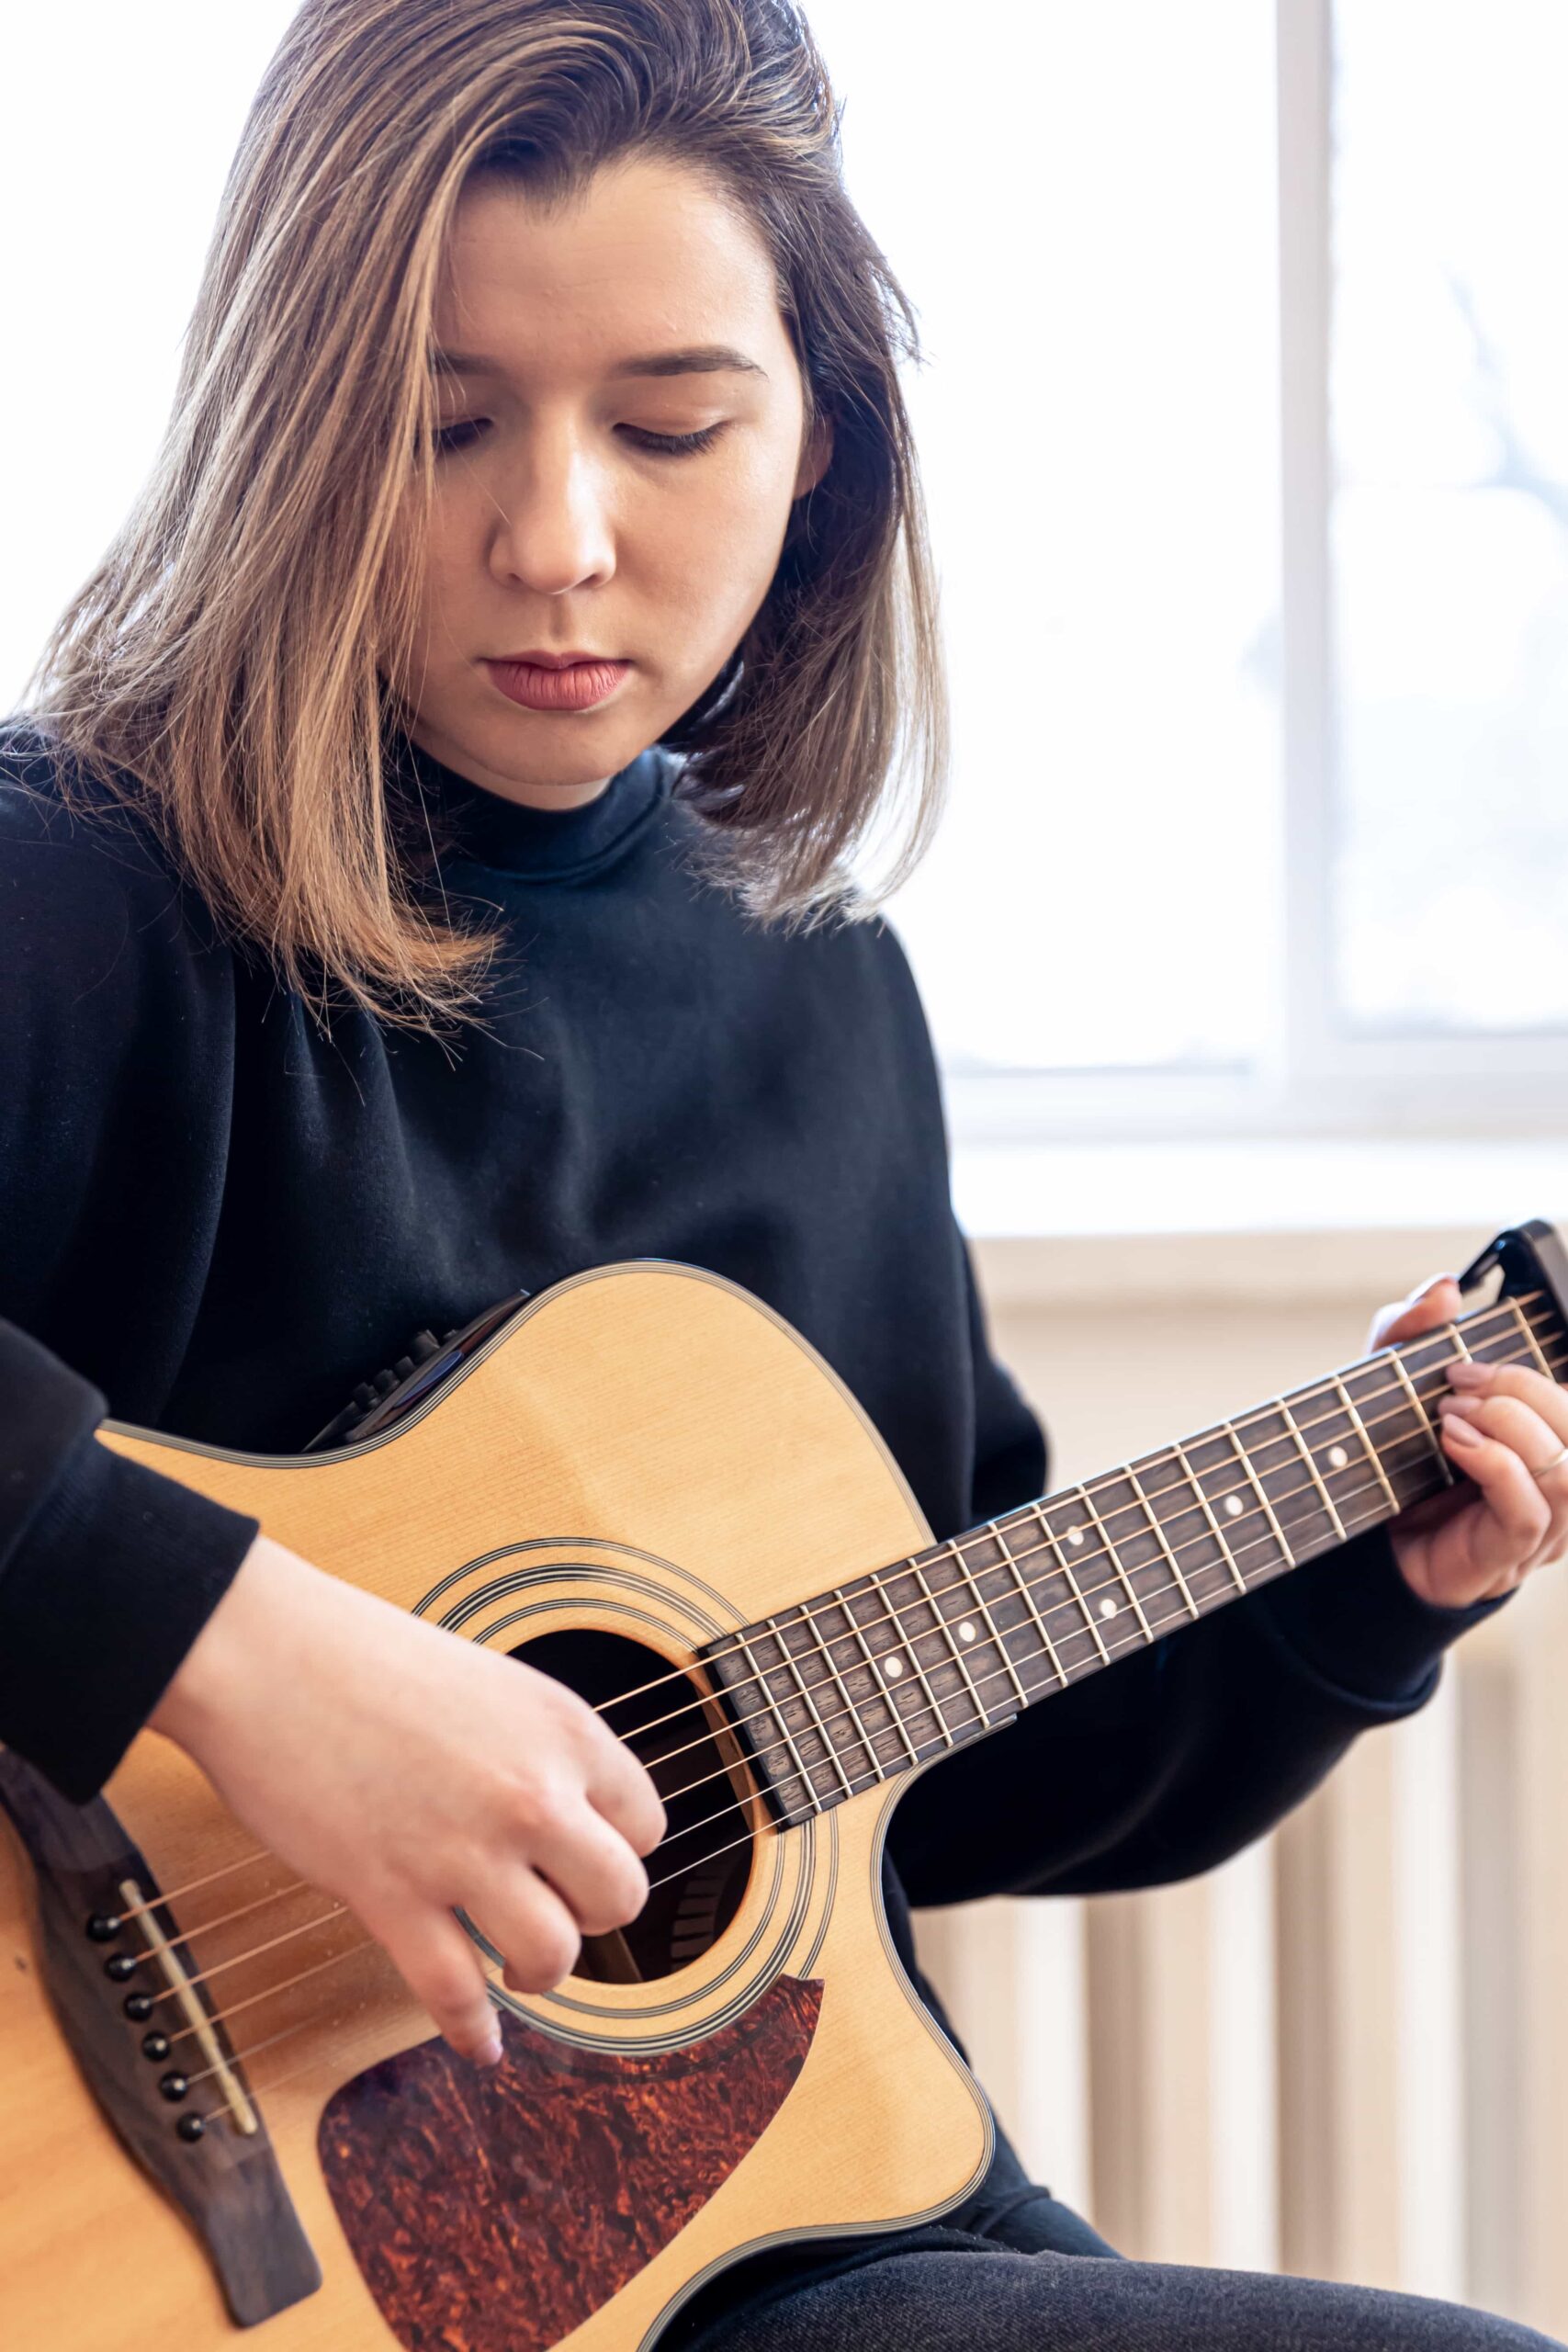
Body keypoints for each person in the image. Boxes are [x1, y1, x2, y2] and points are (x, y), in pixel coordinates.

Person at [2, 3, 1565, 2345]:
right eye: (438, 424)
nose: (558, 534)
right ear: (279, 427)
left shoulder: (822, 993)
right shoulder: (80, 892)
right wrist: (250, 1654)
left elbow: (912, 1751)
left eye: (670, 422)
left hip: (745, 2241)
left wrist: (1363, 1580)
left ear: (817, 447)